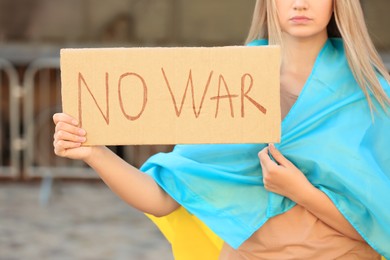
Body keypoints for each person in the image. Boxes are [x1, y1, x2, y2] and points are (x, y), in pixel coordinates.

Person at [53, 0, 390, 259]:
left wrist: (301, 191)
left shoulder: (371, 93)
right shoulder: (227, 80)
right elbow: (163, 197)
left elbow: (379, 226)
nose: (299, 3)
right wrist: (93, 153)